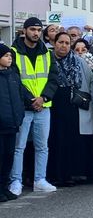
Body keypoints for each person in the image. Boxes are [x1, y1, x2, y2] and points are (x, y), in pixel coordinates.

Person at [9, 17, 59, 196]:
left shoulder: (47, 53)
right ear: (24, 31)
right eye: (32, 30)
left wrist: (43, 97)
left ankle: (40, 179)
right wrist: (32, 99)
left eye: (39, 30)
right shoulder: (13, 52)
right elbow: (14, 79)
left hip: (43, 106)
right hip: (24, 107)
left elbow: (54, 77)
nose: (36, 33)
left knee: (42, 146)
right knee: (18, 147)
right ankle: (16, 181)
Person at [47, 32, 93, 187]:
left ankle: (69, 174)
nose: (64, 46)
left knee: (70, 140)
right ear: (54, 43)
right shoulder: (48, 59)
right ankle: (53, 174)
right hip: (53, 103)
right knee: (53, 139)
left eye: (67, 43)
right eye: (61, 42)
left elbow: (89, 80)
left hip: (72, 105)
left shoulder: (78, 61)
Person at [0, 44, 32, 202]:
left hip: (12, 124)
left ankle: (4, 188)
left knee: (8, 157)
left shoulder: (13, 75)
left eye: (10, 56)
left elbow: (22, 93)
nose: (9, 58)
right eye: (6, 56)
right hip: (1, 124)